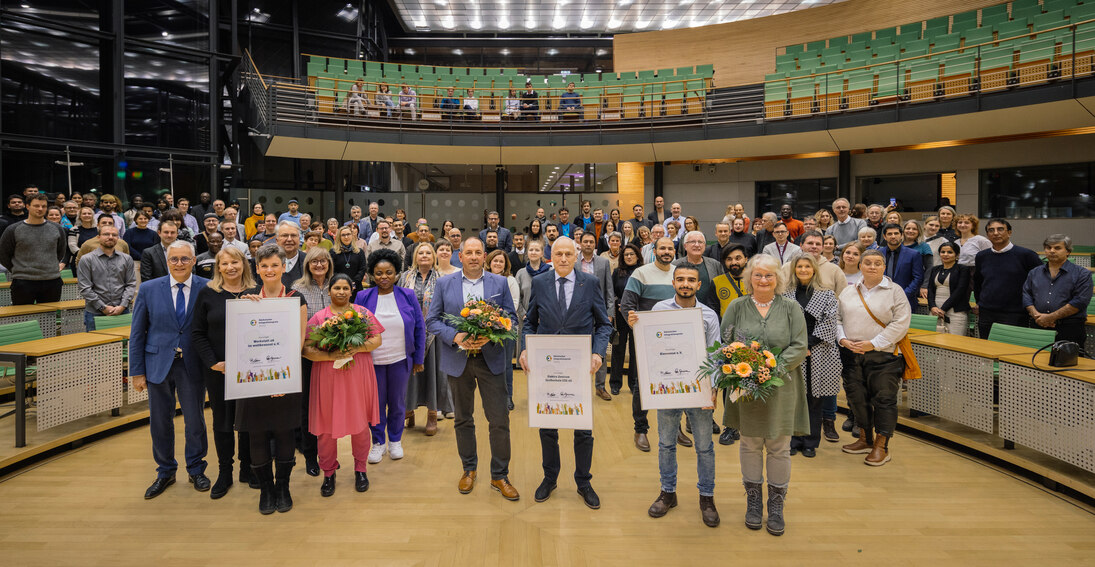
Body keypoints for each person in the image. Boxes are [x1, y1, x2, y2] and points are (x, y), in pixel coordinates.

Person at [519, 237, 612, 510]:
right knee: (548, 427)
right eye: (557, 253)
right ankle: (550, 478)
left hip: (580, 368)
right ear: (551, 256)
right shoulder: (540, 283)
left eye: (567, 254)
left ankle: (583, 482)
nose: (562, 258)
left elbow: (604, 325)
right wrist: (525, 349)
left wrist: (597, 353)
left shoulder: (591, 283)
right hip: (546, 368)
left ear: (576, 256)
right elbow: (530, 323)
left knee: (583, 429)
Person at [424, 238, 520, 501]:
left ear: (485, 256)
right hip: (458, 361)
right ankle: (469, 469)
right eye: (469, 253)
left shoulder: (499, 283)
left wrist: (492, 334)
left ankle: (500, 475)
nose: (474, 257)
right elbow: (432, 320)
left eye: (479, 252)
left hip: (492, 360)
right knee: (463, 418)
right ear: (460, 255)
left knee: (499, 420)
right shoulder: (445, 284)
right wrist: (456, 336)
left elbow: (511, 318)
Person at [720, 254, 808, 536]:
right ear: (749, 278)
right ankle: (754, 503)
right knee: (749, 443)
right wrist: (748, 368)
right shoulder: (736, 306)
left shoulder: (791, 308)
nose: (763, 280)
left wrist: (772, 368)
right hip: (746, 386)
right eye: (758, 275)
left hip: (782, 384)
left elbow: (799, 345)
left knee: (779, 445)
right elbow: (726, 341)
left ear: (778, 279)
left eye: (769, 275)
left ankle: (777, 505)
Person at [640, 262, 722, 527]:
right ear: (673, 283)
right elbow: (651, 348)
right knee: (665, 443)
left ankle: (706, 497)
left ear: (699, 285)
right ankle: (668, 492)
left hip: (698, 390)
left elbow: (715, 355)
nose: (685, 283)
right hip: (668, 389)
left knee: (704, 447)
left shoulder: (708, 315)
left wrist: (713, 390)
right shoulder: (658, 310)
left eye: (691, 280)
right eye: (680, 279)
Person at [129, 241, 210, 499]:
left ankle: (196, 468)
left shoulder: (206, 288)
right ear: (167, 261)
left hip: (192, 364)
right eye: (174, 259)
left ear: (194, 261)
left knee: (194, 420)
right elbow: (137, 333)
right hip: (157, 364)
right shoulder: (149, 289)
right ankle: (165, 471)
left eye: (184, 259)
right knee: (160, 422)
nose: (179, 264)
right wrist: (137, 371)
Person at [235, 244, 308, 514]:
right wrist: (243, 311)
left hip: (284, 377)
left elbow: (299, 343)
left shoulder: (296, 298)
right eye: (264, 266)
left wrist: (279, 382)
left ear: (283, 267)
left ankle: (283, 487)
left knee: (284, 432)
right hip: (254, 380)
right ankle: (266, 489)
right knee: (257, 434)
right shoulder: (247, 298)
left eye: (274, 265)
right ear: (257, 269)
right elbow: (242, 343)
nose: (269, 270)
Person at [303, 273, 383, 496]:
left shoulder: (362, 314)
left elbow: (377, 339)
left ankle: (361, 469)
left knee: (360, 426)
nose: (341, 292)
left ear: (352, 290)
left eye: (345, 288)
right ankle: (328, 473)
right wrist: (331, 355)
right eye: (336, 288)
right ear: (329, 291)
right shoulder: (319, 318)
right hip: (328, 378)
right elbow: (306, 349)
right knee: (326, 430)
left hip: (357, 376)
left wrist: (356, 348)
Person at [191, 246, 258, 499]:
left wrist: (257, 305)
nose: (230, 267)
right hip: (219, 370)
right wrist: (212, 363)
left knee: (248, 420)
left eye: (235, 262)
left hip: (250, 371)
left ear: (244, 264)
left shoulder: (255, 292)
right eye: (225, 263)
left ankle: (247, 468)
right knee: (222, 422)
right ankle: (225, 472)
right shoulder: (207, 293)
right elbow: (197, 333)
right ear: (217, 267)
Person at [836, 249, 910, 467]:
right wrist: (843, 340)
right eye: (867, 263)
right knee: (856, 398)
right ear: (860, 266)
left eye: (877, 263)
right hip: (852, 354)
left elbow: (901, 323)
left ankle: (881, 445)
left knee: (884, 400)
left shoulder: (895, 291)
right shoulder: (848, 292)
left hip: (884, 355)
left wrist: (874, 343)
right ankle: (865, 439)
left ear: (884, 267)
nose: (872, 267)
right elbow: (837, 319)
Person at [355, 249, 425, 464]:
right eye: (378, 273)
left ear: (396, 273)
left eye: (388, 272)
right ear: (371, 274)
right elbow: (356, 329)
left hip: (400, 360)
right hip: (371, 362)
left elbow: (420, 328)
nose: (383, 277)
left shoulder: (408, 295)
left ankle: (395, 440)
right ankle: (378, 443)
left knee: (397, 403)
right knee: (375, 404)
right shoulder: (362, 296)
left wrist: (419, 359)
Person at [620, 237, 682, 452]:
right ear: (654, 251)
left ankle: (676, 427)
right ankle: (641, 428)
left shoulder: (679, 272)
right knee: (641, 384)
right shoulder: (641, 273)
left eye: (670, 248)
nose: (666, 251)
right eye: (662, 248)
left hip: (676, 339)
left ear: (675, 251)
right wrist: (637, 326)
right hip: (647, 339)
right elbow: (627, 305)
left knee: (675, 379)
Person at [784, 255, 842, 456]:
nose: (803, 269)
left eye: (807, 266)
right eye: (799, 266)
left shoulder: (826, 294)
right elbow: (781, 323)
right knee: (793, 397)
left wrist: (808, 344)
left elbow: (829, 322)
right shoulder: (785, 294)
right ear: (794, 269)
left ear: (814, 269)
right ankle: (793, 439)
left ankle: (810, 441)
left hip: (819, 351)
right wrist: (799, 346)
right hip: (792, 350)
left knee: (814, 398)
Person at [400, 242, 453, 435]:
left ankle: (432, 414)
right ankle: (409, 410)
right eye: (420, 253)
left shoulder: (443, 279)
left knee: (434, 374)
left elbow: (449, 305)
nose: (424, 256)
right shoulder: (405, 277)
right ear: (415, 257)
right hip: (410, 333)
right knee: (409, 374)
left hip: (434, 333)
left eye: (428, 253)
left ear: (434, 257)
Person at [291, 246, 334, 476]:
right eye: (314, 261)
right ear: (307, 264)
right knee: (307, 407)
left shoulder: (336, 286)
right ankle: (310, 455)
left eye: (323, 261)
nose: (319, 265)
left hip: (331, 357)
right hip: (307, 356)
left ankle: (328, 454)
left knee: (328, 407)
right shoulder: (298, 289)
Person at [973, 219, 1042, 339]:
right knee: (986, 349)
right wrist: (980, 303)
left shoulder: (1027, 255)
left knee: (1011, 350)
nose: (995, 233)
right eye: (991, 230)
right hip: (987, 312)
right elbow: (978, 282)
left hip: (1015, 313)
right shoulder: (981, 256)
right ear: (987, 235)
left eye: (1000, 229)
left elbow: (1040, 282)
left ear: (1009, 232)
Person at [1024, 234, 1092, 354]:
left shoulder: (1082, 274)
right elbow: (1026, 294)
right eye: (1048, 248)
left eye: (1057, 248)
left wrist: (1050, 317)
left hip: (1069, 328)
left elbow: (1079, 301)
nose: (1052, 251)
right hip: (1038, 326)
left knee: (1068, 367)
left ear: (1068, 251)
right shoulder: (1034, 272)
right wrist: (1036, 315)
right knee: (1035, 366)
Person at [0, 194, 68, 304]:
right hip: (23, 281)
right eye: (36, 206)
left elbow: (60, 252)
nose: (40, 209)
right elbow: (3, 255)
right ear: (27, 206)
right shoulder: (13, 229)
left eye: (43, 206)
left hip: (51, 280)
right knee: (23, 318)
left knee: (49, 319)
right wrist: (19, 269)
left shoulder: (57, 228)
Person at [577, 232, 617, 401]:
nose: (588, 244)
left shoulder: (603, 262)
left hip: (599, 313)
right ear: (580, 243)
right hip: (578, 314)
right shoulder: (573, 262)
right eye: (585, 241)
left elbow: (609, 290)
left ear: (595, 244)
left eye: (591, 242)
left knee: (599, 351)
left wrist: (609, 314)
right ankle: (578, 386)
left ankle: (600, 387)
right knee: (579, 352)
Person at [77, 224, 135, 331]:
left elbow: (131, 284)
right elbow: (85, 288)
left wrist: (122, 306)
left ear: (118, 238)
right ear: (98, 237)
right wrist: (103, 307)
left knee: (124, 344)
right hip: (95, 312)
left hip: (122, 311)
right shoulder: (86, 260)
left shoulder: (127, 259)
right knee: (95, 346)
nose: (110, 237)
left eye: (114, 235)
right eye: (106, 234)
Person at [486, 249, 521, 410]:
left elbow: (513, 304)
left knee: (506, 364)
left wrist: (496, 318)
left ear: (506, 264)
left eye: (501, 261)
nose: (498, 264)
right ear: (490, 262)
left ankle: (508, 396)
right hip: (486, 329)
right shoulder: (483, 279)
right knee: (488, 365)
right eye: (495, 261)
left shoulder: (511, 280)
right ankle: (492, 397)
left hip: (506, 329)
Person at [610, 244, 642, 396]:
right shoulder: (617, 272)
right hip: (620, 316)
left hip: (637, 316)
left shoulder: (642, 272)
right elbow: (612, 293)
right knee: (618, 350)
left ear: (637, 256)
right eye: (626, 254)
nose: (629, 257)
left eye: (632, 254)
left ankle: (633, 383)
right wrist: (618, 302)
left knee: (636, 351)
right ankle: (615, 383)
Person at [673, 230, 724, 317]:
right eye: (692, 242)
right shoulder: (675, 265)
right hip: (680, 313)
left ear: (705, 245)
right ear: (685, 246)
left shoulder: (715, 264)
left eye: (700, 242)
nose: (697, 245)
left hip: (709, 314)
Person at [926, 242, 971, 336]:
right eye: (943, 252)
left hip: (955, 311)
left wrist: (943, 309)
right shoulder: (935, 269)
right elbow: (930, 289)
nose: (945, 255)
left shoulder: (963, 269)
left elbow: (960, 290)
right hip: (935, 310)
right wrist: (932, 307)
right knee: (934, 340)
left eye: (950, 252)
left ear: (957, 255)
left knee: (955, 342)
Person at [515, 239, 551, 348]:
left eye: (537, 250)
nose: (533, 252)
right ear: (527, 252)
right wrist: (524, 315)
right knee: (526, 352)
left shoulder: (550, 272)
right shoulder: (521, 273)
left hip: (546, 320)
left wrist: (545, 315)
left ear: (542, 253)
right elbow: (517, 298)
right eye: (531, 250)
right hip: (525, 319)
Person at [880, 223, 924, 307]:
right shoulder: (878, 253)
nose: (893, 236)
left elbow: (918, 278)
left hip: (906, 299)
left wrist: (903, 295)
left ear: (902, 235)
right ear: (885, 237)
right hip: (882, 299)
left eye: (896, 233)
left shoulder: (913, 254)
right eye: (889, 234)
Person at [712, 244, 749, 321]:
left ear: (746, 259)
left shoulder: (756, 280)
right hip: (726, 329)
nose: (733, 262)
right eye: (729, 259)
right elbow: (713, 310)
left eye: (738, 258)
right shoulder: (716, 282)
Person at [331, 225, 368, 293]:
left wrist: (354, 282)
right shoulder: (333, 252)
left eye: (348, 234)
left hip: (356, 287)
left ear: (352, 235)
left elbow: (362, 269)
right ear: (339, 237)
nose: (346, 237)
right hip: (339, 286)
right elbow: (332, 270)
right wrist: (343, 283)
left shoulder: (359, 252)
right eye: (343, 235)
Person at [276, 221, 306, 287]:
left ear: (299, 239)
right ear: (277, 240)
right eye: (285, 235)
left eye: (293, 235)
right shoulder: (267, 261)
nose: (289, 239)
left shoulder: (308, 261)